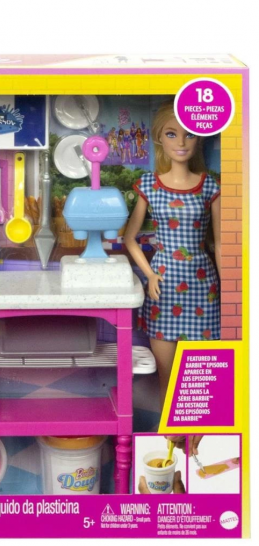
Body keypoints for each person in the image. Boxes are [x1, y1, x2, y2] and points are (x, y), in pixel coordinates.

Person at [124, 101, 221, 408]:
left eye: (189, 134)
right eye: (171, 134)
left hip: (203, 287)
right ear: (159, 138)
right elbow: (130, 238)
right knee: (166, 379)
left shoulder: (209, 186)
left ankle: (196, 432)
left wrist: (232, 287)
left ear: (199, 138)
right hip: (163, 286)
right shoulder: (149, 185)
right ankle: (168, 431)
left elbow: (220, 244)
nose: (181, 142)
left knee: (199, 379)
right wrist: (150, 274)